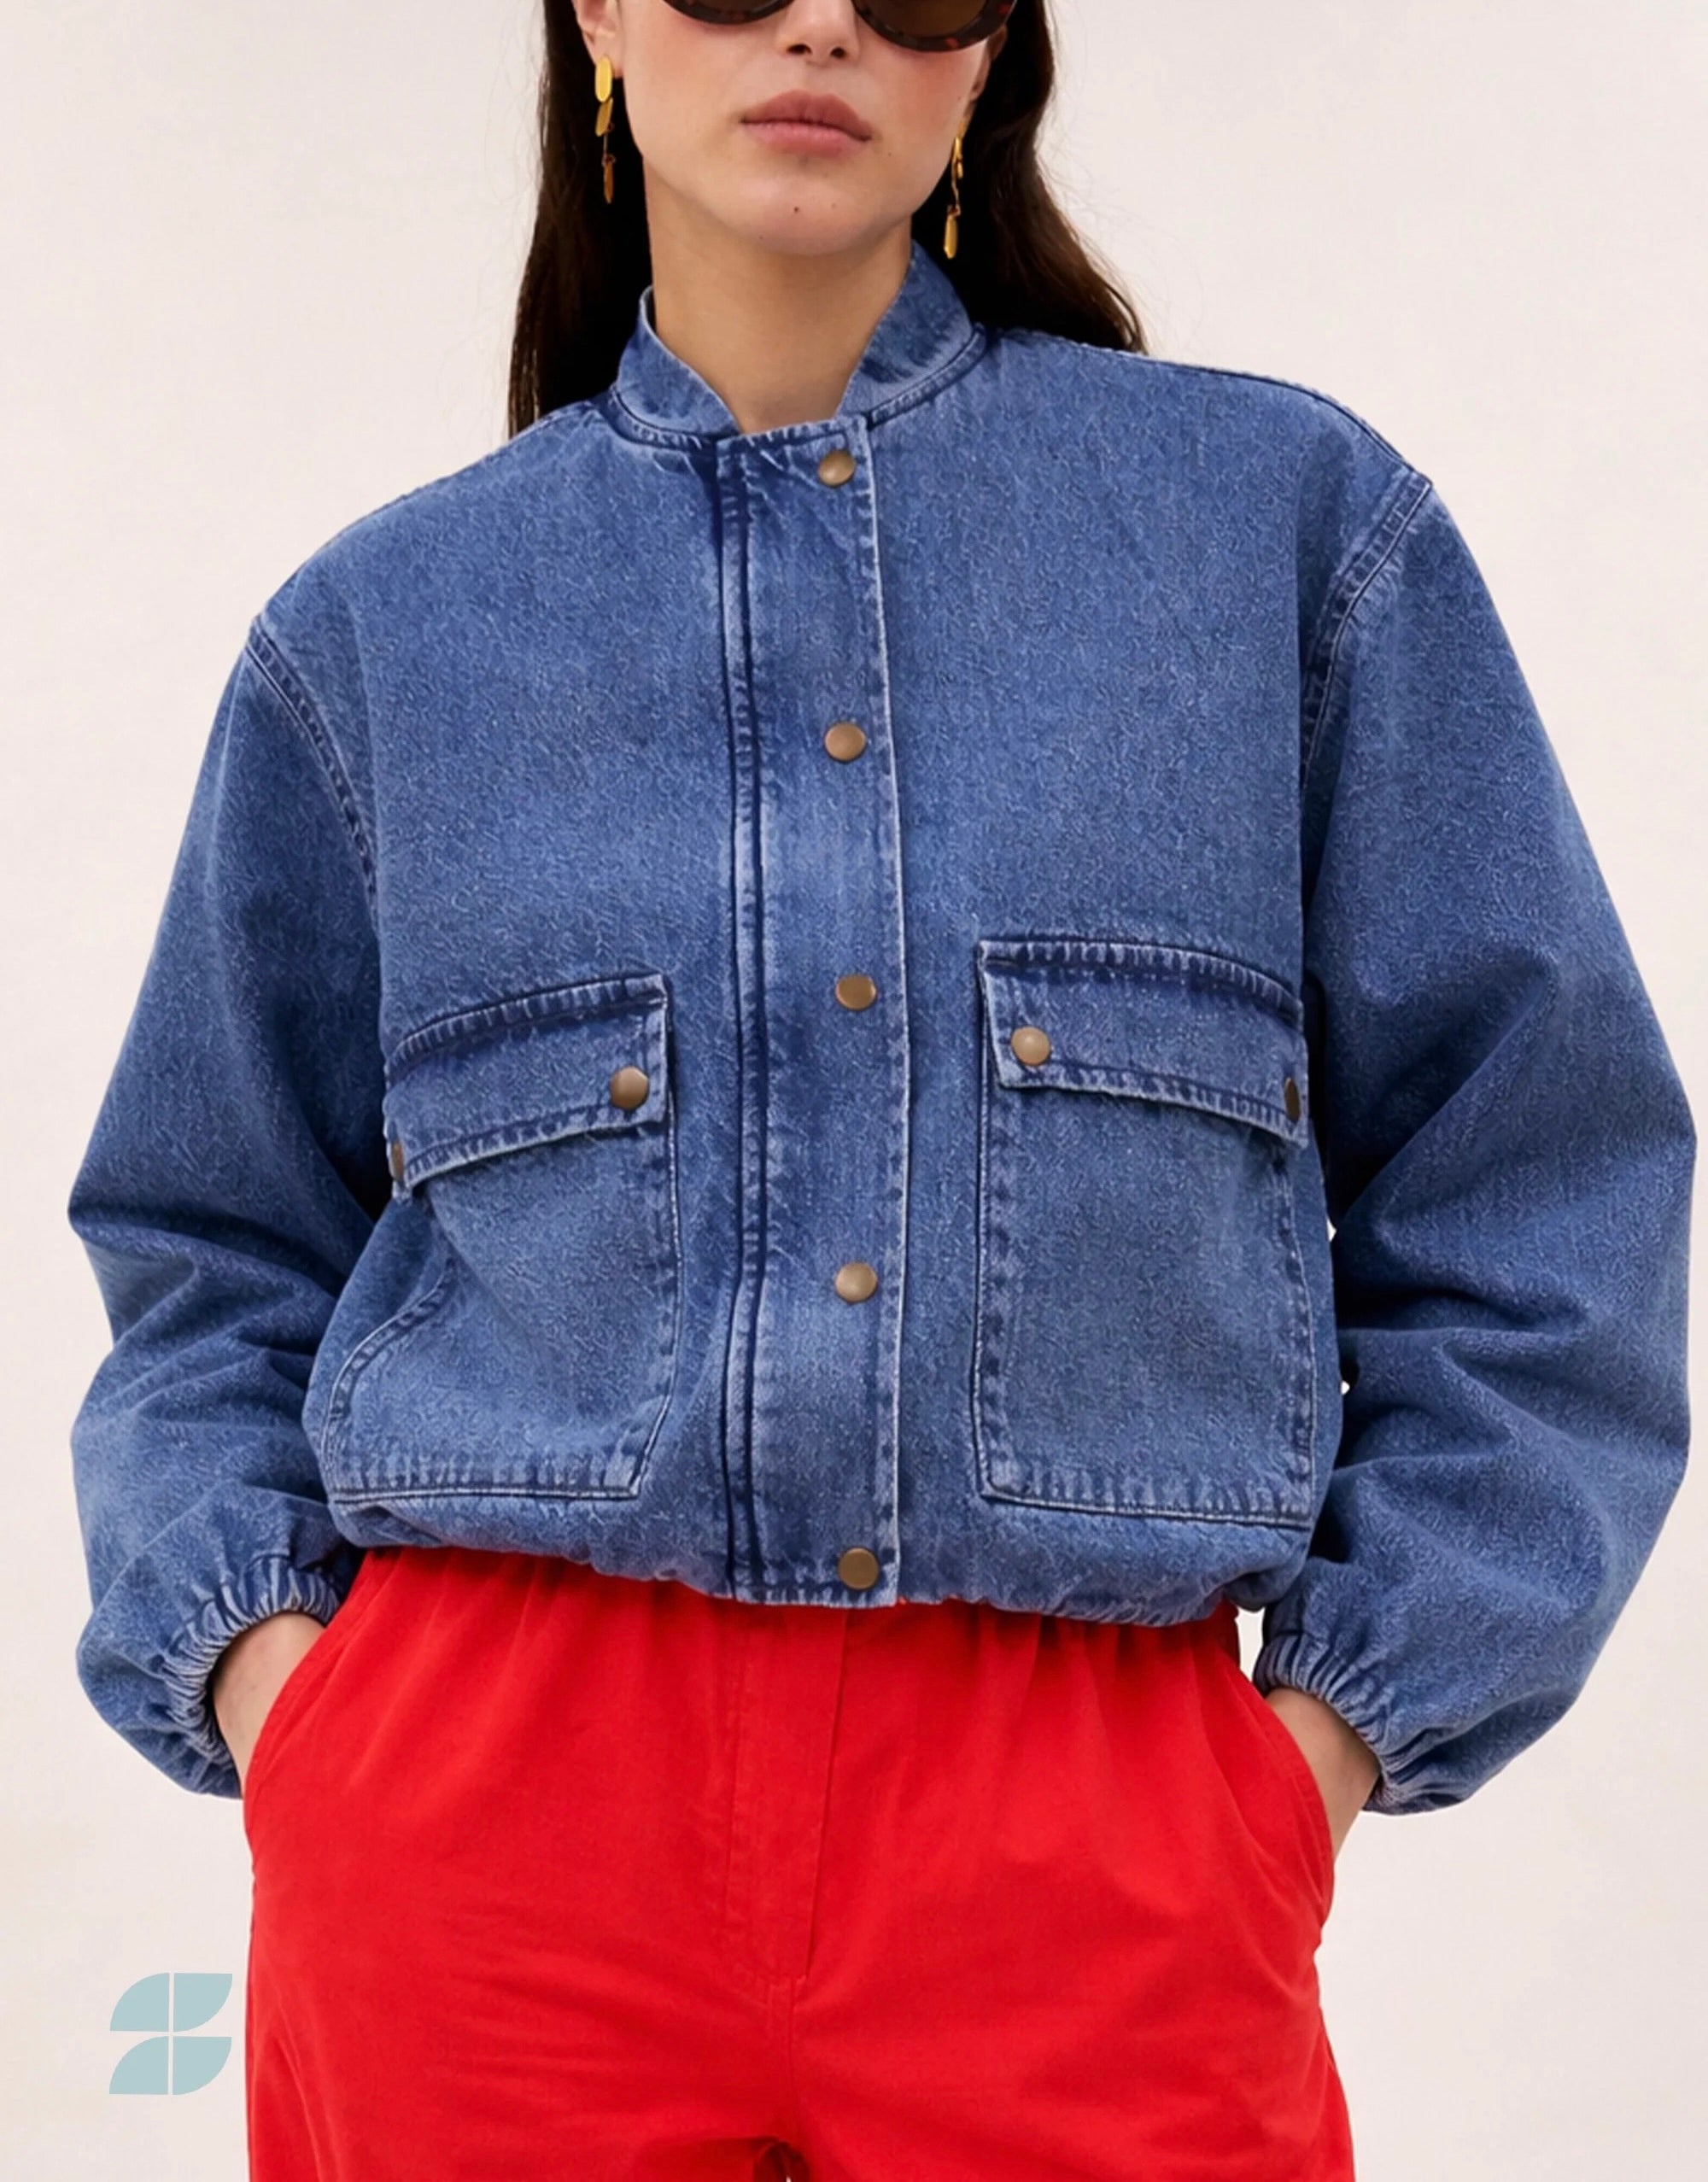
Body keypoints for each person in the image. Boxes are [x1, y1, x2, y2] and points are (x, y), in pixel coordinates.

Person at [64, 3, 1694, 2177]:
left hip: (1089, 1847)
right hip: (481, 1832)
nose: (821, 19)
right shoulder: (385, 629)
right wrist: (297, 1712)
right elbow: (210, 1249)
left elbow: (1542, 1177)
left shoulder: (1279, 540)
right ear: (597, 15)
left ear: (989, 46)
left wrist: (1315, 1741)